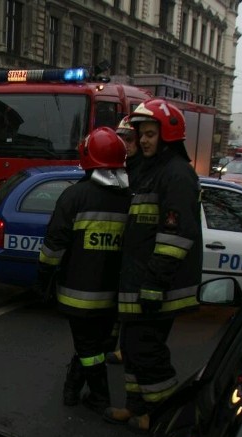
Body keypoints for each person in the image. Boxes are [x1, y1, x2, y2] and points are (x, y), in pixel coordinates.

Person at [104, 99, 203, 432]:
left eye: (149, 134)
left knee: (147, 351)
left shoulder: (176, 175)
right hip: (139, 282)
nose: (143, 140)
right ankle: (135, 408)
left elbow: (176, 235)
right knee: (132, 349)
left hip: (159, 287)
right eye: (141, 134)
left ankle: (166, 416)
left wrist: (154, 284)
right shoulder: (149, 170)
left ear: (168, 134)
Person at [36, 127, 131, 413]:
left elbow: (54, 246)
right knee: (95, 344)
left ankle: (98, 396)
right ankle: (72, 389)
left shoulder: (74, 197)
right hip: (113, 295)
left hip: (77, 294)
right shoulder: (131, 198)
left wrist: (43, 280)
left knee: (89, 349)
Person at [105, 117, 144, 365]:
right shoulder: (120, 167)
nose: (125, 144)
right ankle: (112, 346)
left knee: (130, 308)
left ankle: (124, 349)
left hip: (135, 254)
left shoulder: (144, 171)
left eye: (129, 139)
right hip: (120, 250)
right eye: (122, 139)